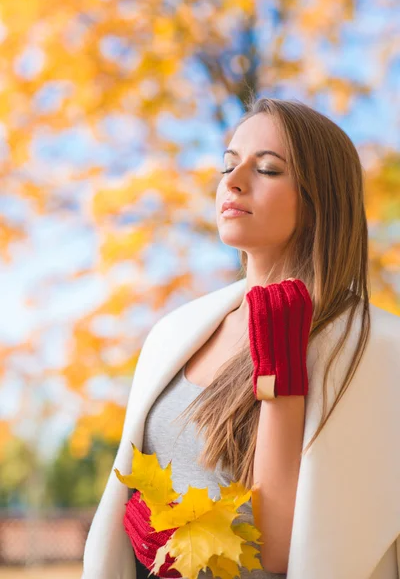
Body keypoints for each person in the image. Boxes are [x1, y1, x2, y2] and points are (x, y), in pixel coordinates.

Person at [81, 97, 400, 579]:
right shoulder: (175, 331)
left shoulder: (376, 351)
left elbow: (282, 552)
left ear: (319, 202)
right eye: (229, 164)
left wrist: (280, 376)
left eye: (268, 169)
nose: (233, 181)